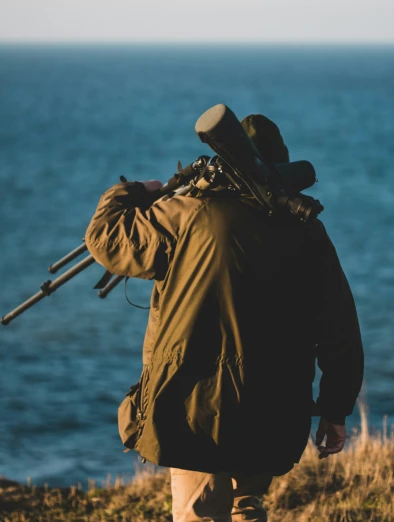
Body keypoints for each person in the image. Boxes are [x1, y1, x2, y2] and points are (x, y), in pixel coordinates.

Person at [85, 112, 364, 522]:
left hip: (192, 404)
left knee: (199, 512)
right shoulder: (305, 228)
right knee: (246, 507)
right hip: (275, 404)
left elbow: (105, 237)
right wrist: (335, 410)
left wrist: (133, 191)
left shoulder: (184, 214)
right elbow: (339, 330)